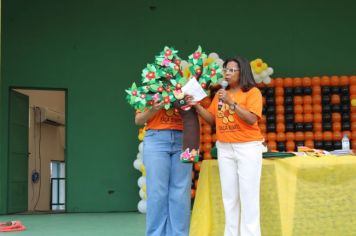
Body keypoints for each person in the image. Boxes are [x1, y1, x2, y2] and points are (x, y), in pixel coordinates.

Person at [188, 56, 264, 236]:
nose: (227, 73)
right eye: (225, 70)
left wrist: (232, 102)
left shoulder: (252, 93)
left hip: (247, 147)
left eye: (231, 70)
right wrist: (197, 107)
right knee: (229, 197)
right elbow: (213, 121)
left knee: (248, 197)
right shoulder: (221, 94)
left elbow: (252, 118)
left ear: (242, 72)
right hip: (225, 148)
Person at [135, 102, 192, 236]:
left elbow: (197, 111)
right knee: (157, 191)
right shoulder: (151, 87)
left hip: (185, 138)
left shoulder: (186, 84)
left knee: (181, 192)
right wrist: (154, 109)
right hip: (156, 139)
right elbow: (138, 120)